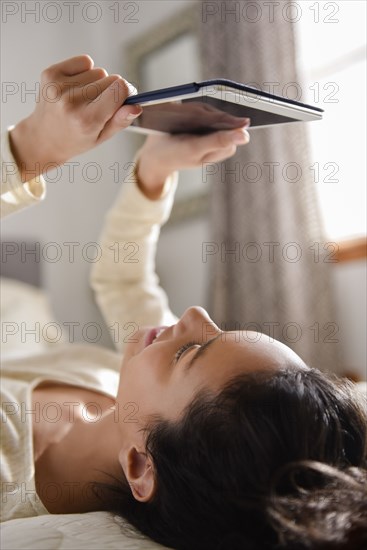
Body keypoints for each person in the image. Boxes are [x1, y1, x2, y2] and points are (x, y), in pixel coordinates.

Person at [1, 55, 366, 550]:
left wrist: (29, 149)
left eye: (189, 352)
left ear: (140, 467)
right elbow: (121, 281)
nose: (194, 316)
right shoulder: (134, 397)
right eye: (219, 330)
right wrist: (155, 169)